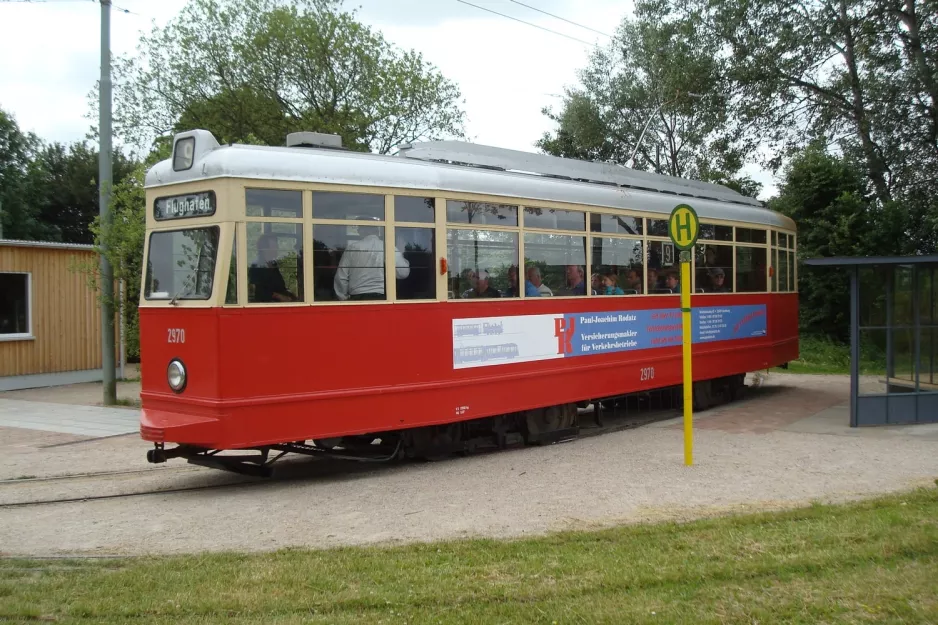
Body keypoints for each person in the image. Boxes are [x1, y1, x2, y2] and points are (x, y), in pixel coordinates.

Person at [334, 224, 410, 300]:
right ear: (377, 231)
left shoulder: (352, 248)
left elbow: (341, 277)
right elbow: (403, 273)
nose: (357, 231)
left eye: (359, 229)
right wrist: (402, 255)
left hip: (357, 297)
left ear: (362, 231)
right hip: (383, 297)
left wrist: (343, 298)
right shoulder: (388, 247)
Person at [248, 233, 296, 303]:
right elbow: (258, 291)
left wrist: (290, 295)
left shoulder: (273, 264)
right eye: (274, 246)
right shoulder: (257, 266)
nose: (277, 249)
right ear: (265, 249)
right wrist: (278, 296)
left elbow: (279, 287)